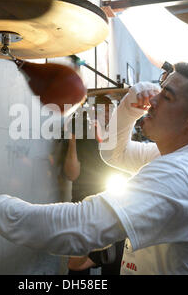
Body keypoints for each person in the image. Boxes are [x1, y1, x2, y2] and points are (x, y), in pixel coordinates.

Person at [0, 62, 188, 275]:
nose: (154, 100)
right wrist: (127, 110)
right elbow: (115, 154)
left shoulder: (183, 174)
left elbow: (79, 228)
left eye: (167, 97)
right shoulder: (180, 158)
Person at [63, 95, 124, 275]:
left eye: (109, 111)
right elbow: (71, 174)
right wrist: (72, 140)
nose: (106, 115)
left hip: (114, 207)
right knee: (77, 267)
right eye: (101, 111)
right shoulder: (83, 138)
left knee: (113, 263)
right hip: (85, 206)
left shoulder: (119, 140)